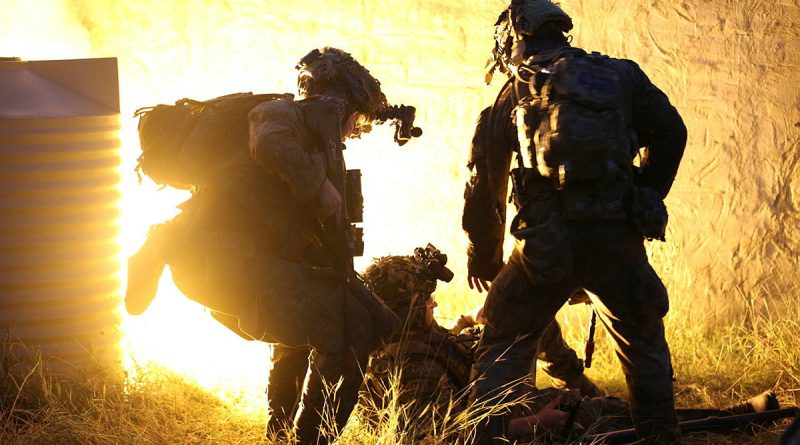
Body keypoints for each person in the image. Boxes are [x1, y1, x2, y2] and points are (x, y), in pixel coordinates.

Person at [125, 47, 402, 445]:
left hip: (238, 265)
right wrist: (319, 186)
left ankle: (280, 435)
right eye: (354, 121)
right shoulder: (282, 112)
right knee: (349, 326)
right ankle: (311, 440)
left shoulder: (308, 137)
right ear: (337, 103)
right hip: (221, 266)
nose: (350, 133)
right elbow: (269, 139)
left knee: (329, 318)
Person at [462, 1, 687, 443]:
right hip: (615, 240)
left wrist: (486, 261)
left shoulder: (513, 92)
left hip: (543, 248)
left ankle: (485, 437)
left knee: (504, 341)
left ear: (515, 38)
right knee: (642, 344)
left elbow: (484, 188)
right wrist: (644, 193)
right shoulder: (622, 77)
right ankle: (660, 436)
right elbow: (672, 131)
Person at [361, 249, 778, 442]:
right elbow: (442, 439)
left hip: (511, 411)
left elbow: (455, 358)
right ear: (411, 308)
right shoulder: (409, 367)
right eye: (426, 298)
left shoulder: (416, 341)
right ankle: (728, 422)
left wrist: (475, 324)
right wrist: (536, 422)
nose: (434, 301)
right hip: (513, 428)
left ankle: (727, 416)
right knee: (603, 419)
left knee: (529, 324)